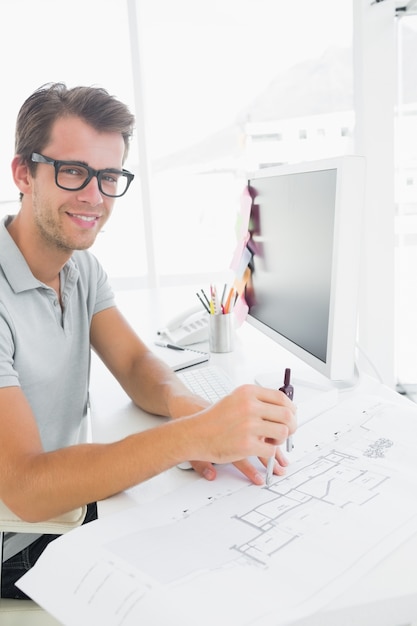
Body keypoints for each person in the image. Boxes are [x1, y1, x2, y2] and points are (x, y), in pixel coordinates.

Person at [0, 82, 296, 598]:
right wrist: (196, 436)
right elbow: (27, 490)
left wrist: (194, 412)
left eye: (109, 176)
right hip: (19, 538)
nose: (94, 196)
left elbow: (135, 364)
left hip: (64, 500)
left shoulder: (81, 269)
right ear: (24, 173)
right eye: (73, 171)